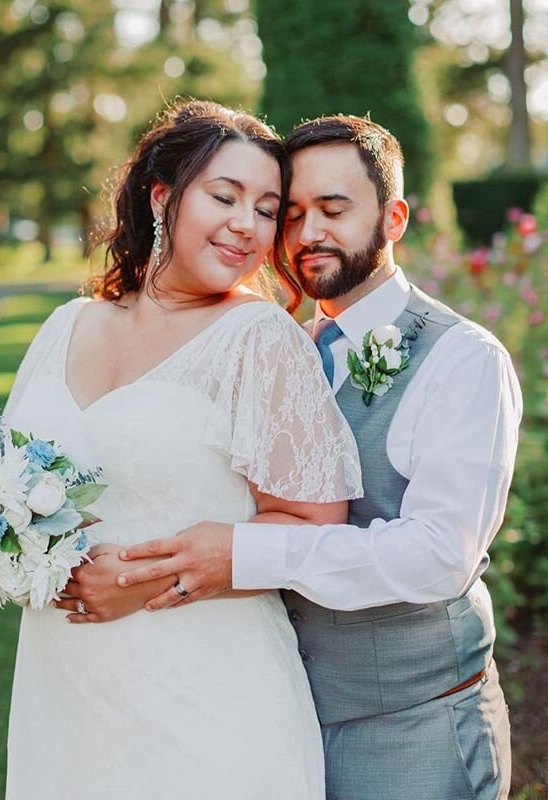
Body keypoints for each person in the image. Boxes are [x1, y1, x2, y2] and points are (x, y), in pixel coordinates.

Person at [115, 114, 523, 800]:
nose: (307, 235)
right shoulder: (280, 349)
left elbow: (436, 556)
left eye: (334, 210)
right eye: (292, 212)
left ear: (393, 219)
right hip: (279, 718)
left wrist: (244, 554)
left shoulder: (463, 359)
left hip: (412, 727)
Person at [3, 100, 362, 799]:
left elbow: (316, 527)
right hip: (62, 682)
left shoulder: (258, 339)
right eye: (224, 196)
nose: (246, 225)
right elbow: (11, 480)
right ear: (161, 195)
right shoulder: (66, 325)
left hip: (205, 689)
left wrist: (136, 583)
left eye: (267, 209)